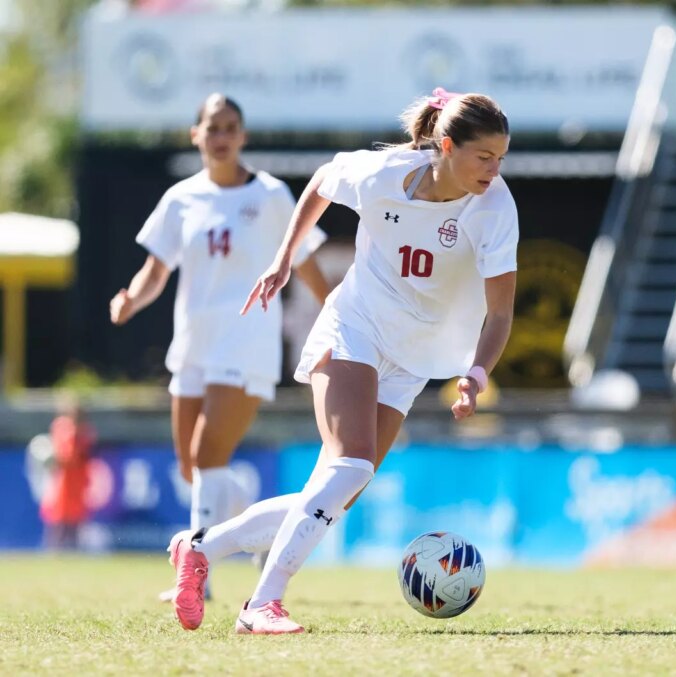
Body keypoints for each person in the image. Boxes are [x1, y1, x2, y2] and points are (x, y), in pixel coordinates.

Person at [163, 88, 518, 635]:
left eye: (501, 158)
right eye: (483, 157)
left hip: (413, 358)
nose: (494, 170)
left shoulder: (495, 207)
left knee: (334, 496)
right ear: (446, 146)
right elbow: (322, 183)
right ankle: (262, 604)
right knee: (349, 465)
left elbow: (499, 313)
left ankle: (202, 546)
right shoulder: (384, 173)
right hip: (353, 328)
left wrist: (475, 374)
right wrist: (283, 260)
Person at [110, 93, 330, 599]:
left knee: (208, 454)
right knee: (191, 465)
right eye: (213, 127)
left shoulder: (273, 196)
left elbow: (308, 264)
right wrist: (130, 300)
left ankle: (198, 572)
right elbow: (155, 270)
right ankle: (254, 530)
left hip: (247, 341)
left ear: (243, 136)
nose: (222, 136)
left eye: (231, 127)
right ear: (196, 135)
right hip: (193, 343)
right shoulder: (181, 198)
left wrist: (341, 320)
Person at [39, 399, 96, 551]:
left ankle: (73, 551)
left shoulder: (85, 433)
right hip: (62, 482)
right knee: (58, 520)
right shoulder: (61, 427)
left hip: (78, 482)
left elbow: (73, 458)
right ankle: (54, 551)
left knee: (75, 521)